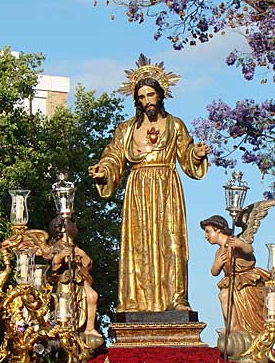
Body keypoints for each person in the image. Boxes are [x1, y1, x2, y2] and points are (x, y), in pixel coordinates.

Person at [88, 54, 209, 313]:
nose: (147, 101)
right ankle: (133, 301)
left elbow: (187, 155)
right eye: (142, 97)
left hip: (166, 187)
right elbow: (113, 156)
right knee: (139, 244)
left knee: (172, 242)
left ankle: (177, 299)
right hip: (138, 188)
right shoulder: (126, 129)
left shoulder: (175, 125)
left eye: (151, 95)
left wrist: (196, 155)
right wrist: (103, 171)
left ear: (161, 95)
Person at [200, 214, 271, 334]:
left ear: (218, 230)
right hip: (232, 281)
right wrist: (217, 263)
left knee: (225, 295)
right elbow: (214, 272)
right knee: (223, 295)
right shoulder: (219, 252)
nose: (206, 236)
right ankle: (232, 326)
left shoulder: (233, 242)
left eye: (208, 232)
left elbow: (249, 250)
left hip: (246, 281)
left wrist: (240, 244)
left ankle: (235, 327)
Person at [47, 216, 102, 347]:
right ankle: (67, 330)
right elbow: (54, 264)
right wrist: (61, 256)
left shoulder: (76, 247)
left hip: (79, 280)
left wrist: (83, 255)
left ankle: (89, 328)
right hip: (66, 282)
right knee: (68, 307)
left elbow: (87, 265)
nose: (75, 224)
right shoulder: (58, 245)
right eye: (70, 223)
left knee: (93, 296)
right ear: (62, 229)